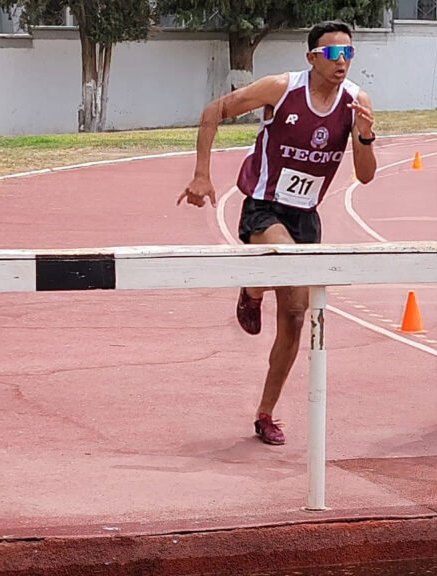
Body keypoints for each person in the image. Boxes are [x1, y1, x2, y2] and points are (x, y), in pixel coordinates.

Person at [178, 21, 377, 445]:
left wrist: (364, 136)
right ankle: (253, 288)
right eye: (333, 54)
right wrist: (201, 175)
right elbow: (213, 111)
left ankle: (265, 412)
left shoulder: (356, 101)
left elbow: (365, 175)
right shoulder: (280, 88)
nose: (342, 63)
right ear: (312, 58)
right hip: (264, 208)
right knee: (292, 266)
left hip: (307, 215)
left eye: (349, 54)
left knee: (294, 315)